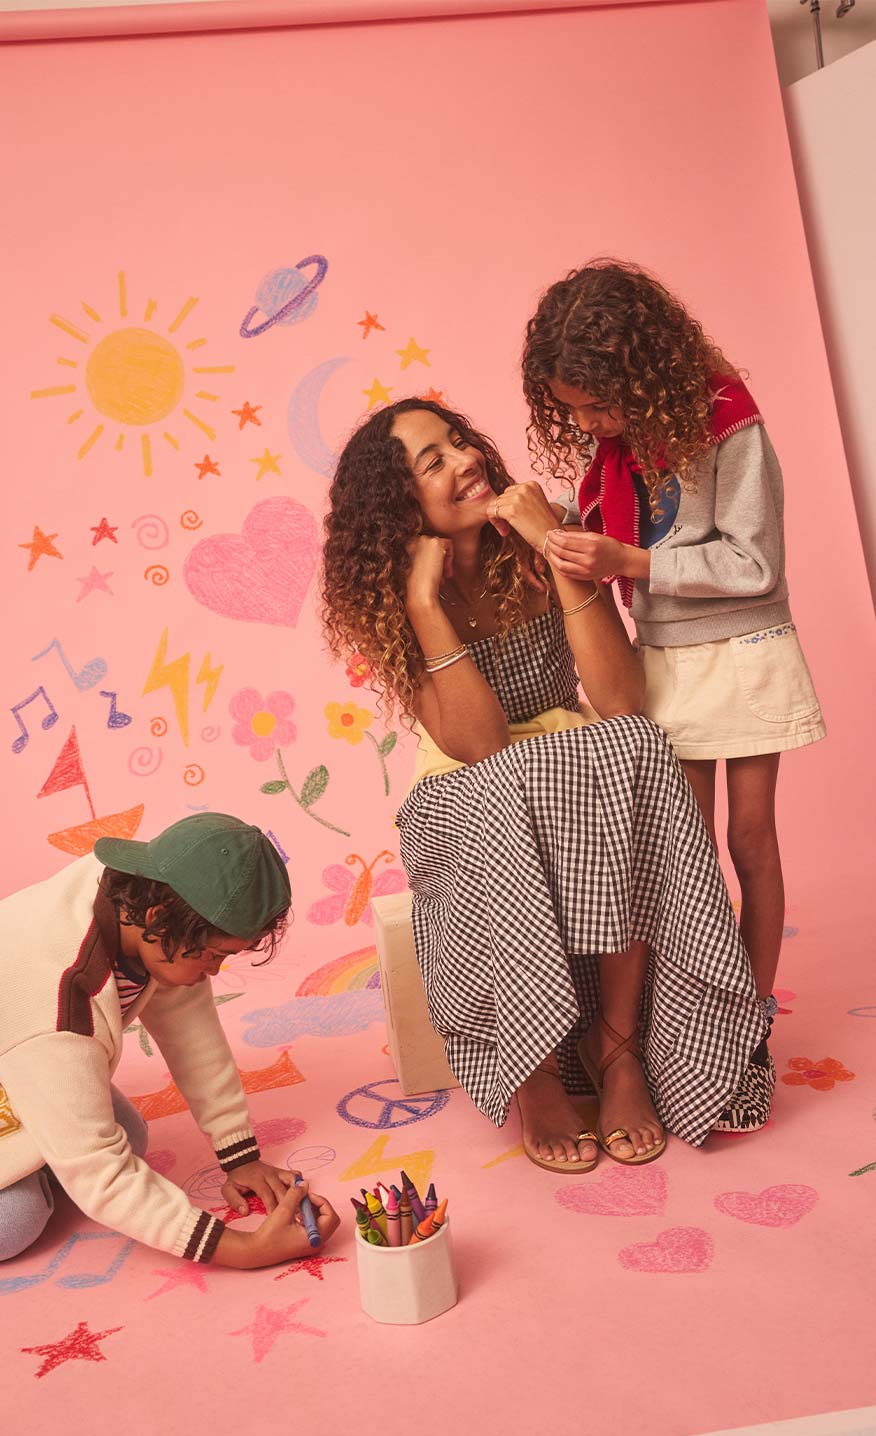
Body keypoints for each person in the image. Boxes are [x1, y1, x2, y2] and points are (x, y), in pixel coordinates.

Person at [321, 396, 767, 1174]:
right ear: (400, 506)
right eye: (434, 461)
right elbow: (479, 743)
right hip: (465, 783)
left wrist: (554, 548)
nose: (465, 460)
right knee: (501, 786)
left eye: (460, 441)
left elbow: (620, 698)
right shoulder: (393, 596)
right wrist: (426, 604)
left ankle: (619, 1048)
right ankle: (534, 1073)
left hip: (565, 746)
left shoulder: (536, 534)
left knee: (635, 744)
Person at [521, 259, 826, 1130]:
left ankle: (748, 1024)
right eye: (572, 409)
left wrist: (631, 561)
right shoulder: (615, 448)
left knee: (750, 839)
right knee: (682, 859)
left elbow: (754, 562)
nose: (585, 424)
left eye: (595, 406)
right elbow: (603, 534)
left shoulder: (729, 423)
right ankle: (682, 1023)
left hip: (745, 650)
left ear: (641, 374)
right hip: (668, 659)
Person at [0, 813, 339, 1265]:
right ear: (161, 919)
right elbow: (102, 1171)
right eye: (215, 955)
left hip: (22, 1047)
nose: (216, 972)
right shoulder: (61, 1001)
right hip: (29, 1038)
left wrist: (238, 1155)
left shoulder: (140, 900)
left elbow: (193, 1034)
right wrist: (241, 1249)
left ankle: (51, 1140)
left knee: (130, 1136)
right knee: (18, 1219)